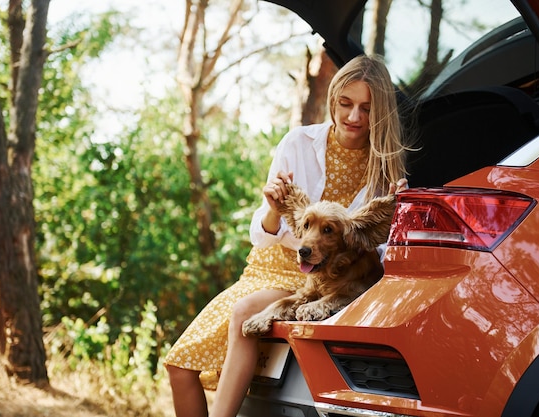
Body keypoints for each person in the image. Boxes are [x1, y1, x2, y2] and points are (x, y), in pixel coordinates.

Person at [163, 54, 410, 417]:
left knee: (247, 312)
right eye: (345, 104)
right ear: (332, 100)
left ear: (382, 112)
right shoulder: (298, 143)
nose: (354, 117)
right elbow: (261, 237)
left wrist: (402, 213)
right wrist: (273, 210)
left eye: (366, 108)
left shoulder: (387, 169)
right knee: (179, 367)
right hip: (271, 268)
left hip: (329, 279)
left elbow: (386, 254)